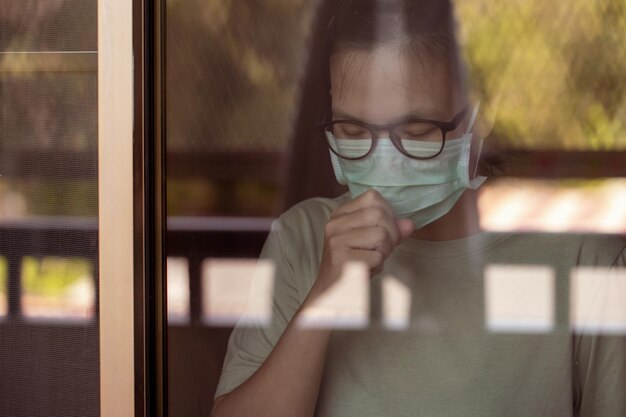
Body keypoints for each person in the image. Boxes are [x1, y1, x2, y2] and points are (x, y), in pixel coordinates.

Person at [210, 1, 626, 416]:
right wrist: (324, 298)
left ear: (480, 117)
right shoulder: (302, 238)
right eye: (352, 131)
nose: (385, 161)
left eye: (417, 130)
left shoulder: (583, 263)